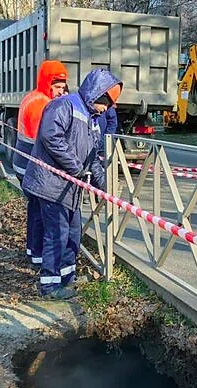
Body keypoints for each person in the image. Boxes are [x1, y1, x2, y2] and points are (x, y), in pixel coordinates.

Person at [22, 68, 122, 299]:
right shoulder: (64, 106)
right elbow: (50, 137)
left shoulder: (93, 120)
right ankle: (50, 285)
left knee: (72, 234)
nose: (107, 109)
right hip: (50, 186)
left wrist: (105, 187)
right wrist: (76, 168)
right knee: (56, 234)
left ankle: (67, 277)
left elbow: (93, 156)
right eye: (106, 103)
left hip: (70, 189)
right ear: (97, 95)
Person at [12, 60, 68, 267]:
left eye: (64, 87)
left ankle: (32, 251)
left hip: (24, 163)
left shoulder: (34, 97)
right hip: (30, 165)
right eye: (58, 87)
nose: (62, 91)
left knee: (35, 209)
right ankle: (38, 255)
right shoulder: (40, 104)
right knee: (41, 212)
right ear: (48, 83)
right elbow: (46, 140)